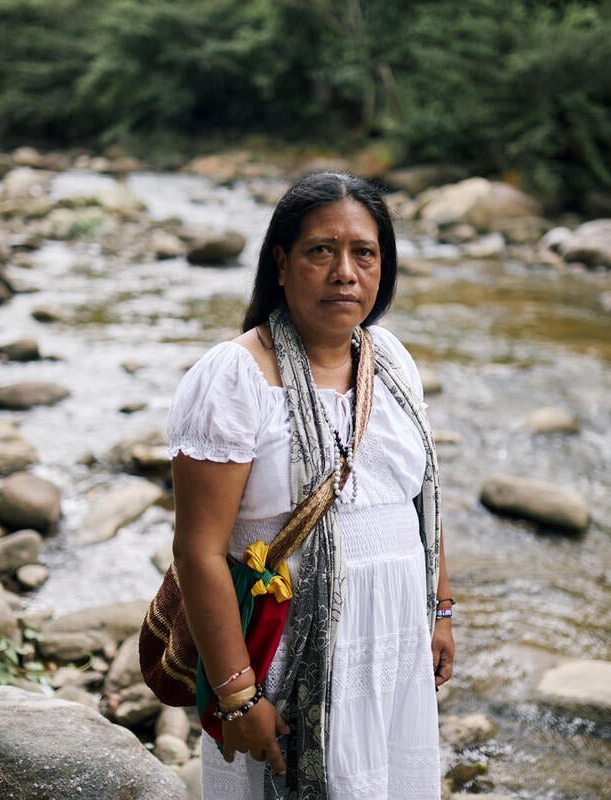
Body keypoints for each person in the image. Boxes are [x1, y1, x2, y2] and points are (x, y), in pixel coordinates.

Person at [167, 171, 455, 800]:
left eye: (364, 253)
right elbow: (198, 551)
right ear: (281, 262)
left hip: (393, 649)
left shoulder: (392, 361)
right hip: (285, 660)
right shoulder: (236, 379)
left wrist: (439, 609)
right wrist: (239, 699)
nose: (344, 272)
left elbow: (420, 501)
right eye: (321, 250)